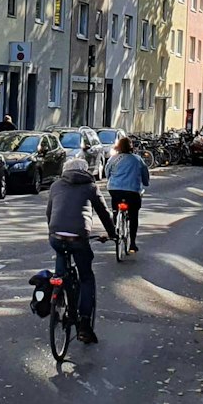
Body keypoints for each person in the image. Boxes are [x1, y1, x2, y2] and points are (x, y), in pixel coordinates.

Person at [44, 159, 117, 343]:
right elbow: (103, 212)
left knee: (61, 270)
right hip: (78, 237)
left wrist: (53, 231)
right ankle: (84, 324)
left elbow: (49, 212)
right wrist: (112, 234)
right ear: (85, 171)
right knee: (86, 278)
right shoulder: (90, 187)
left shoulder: (55, 185)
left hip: (56, 236)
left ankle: (59, 292)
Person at [106, 135, 151, 253]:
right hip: (132, 191)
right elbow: (145, 175)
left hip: (115, 190)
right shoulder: (137, 159)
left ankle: (116, 226)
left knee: (116, 209)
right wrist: (145, 183)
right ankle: (132, 244)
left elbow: (107, 172)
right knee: (133, 215)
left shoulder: (113, 159)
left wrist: (111, 180)